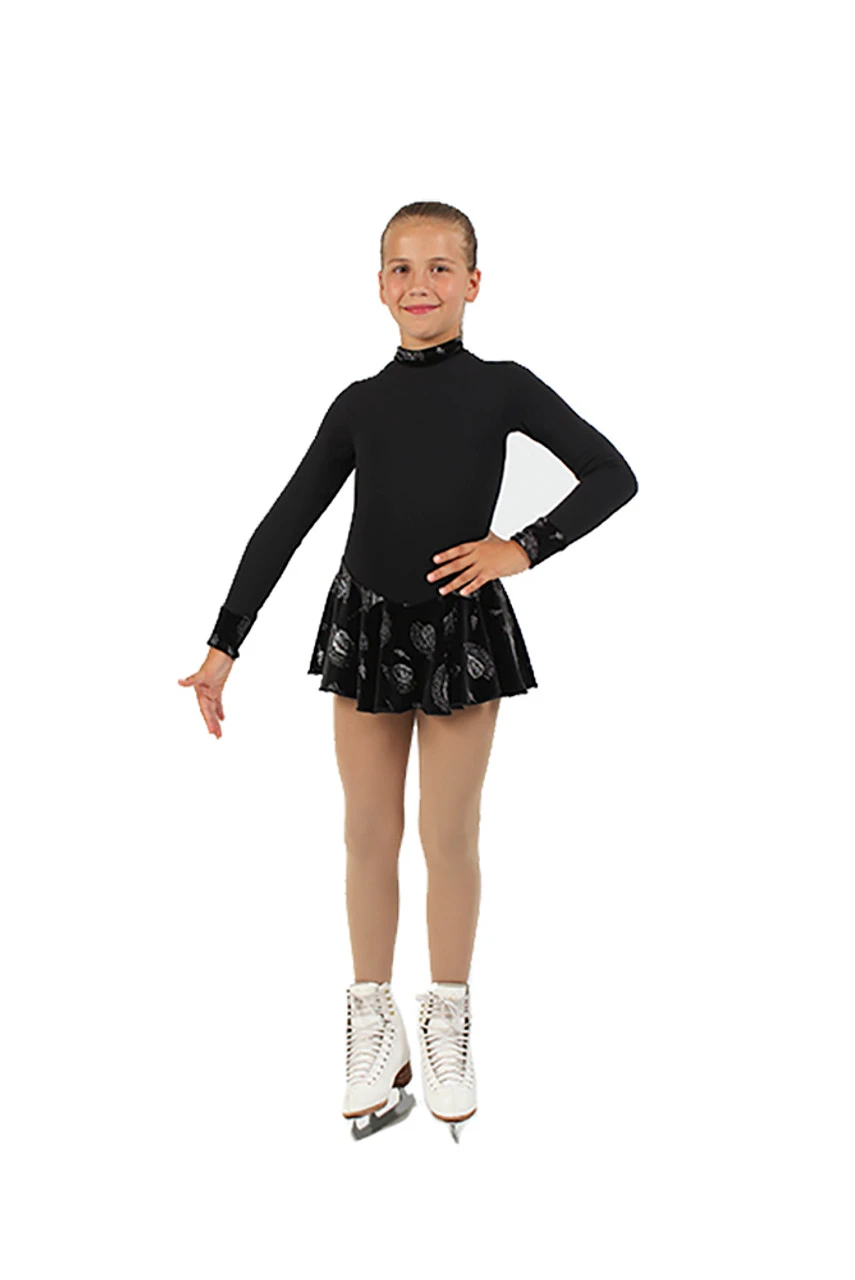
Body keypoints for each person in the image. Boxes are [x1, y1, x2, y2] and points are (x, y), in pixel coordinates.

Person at [178, 201, 638, 1142]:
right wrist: (225, 645)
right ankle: (371, 1019)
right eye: (400, 267)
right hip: (366, 624)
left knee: (448, 832)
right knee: (365, 832)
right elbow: (286, 519)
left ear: (473, 283)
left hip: (462, 626)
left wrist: (522, 547)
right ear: (378, 285)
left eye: (438, 267)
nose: (418, 284)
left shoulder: (504, 387)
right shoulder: (359, 403)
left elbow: (611, 473)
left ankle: (448, 1019)